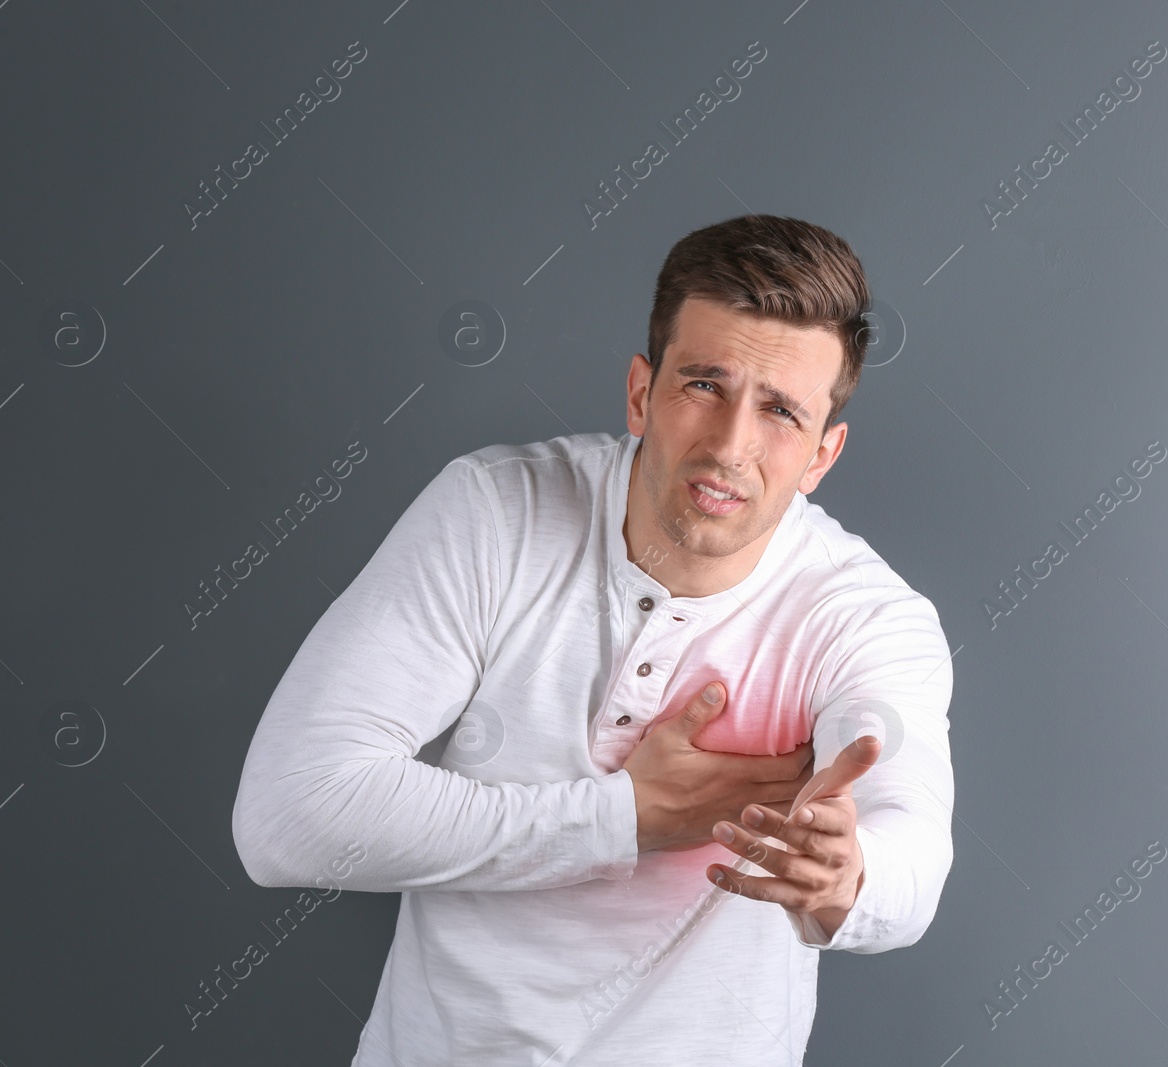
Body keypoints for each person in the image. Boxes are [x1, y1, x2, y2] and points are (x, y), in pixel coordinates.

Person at [230, 214, 957, 1066]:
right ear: (641, 392)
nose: (730, 446)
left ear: (822, 455)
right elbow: (287, 816)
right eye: (703, 385)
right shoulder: (497, 513)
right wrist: (623, 816)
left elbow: (908, 848)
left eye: (780, 412)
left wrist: (847, 873)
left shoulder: (865, 616)